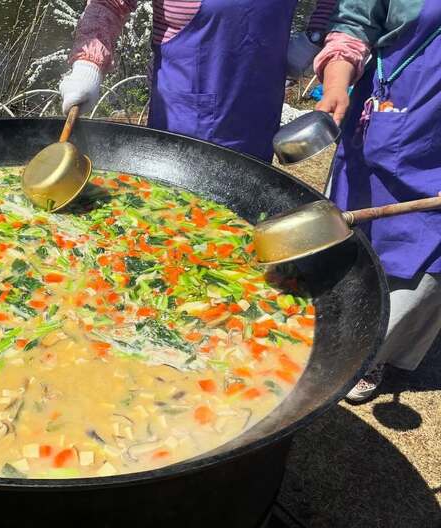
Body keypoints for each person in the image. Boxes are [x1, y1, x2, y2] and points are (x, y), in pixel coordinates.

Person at [314, 0, 441, 401]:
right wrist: (336, 85)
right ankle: (325, 322)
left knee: (426, 248)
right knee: (350, 234)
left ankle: (374, 354)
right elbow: (355, 21)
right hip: (386, 111)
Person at [59, 0, 337, 162]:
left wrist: (313, 37)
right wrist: (88, 64)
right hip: (181, 125)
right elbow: (109, 4)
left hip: (258, 116)